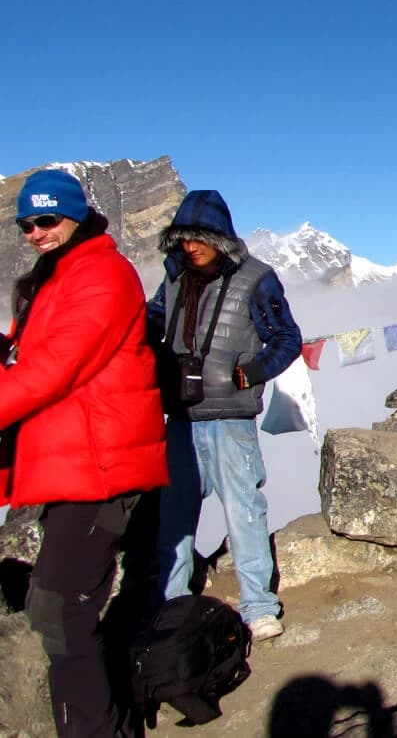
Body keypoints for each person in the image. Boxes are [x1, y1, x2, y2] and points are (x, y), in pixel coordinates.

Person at [0, 169, 167, 738]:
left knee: (60, 610)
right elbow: (28, 351)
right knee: (60, 608)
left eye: (47, 219)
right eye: (27, 224)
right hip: (73, 464)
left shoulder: (102, 275)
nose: (37, 233)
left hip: (103, 467)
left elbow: (54, 368)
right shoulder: (56, 278)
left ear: (77, 214)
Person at [148, 189, 301, 643]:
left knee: (244, 513)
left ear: (220, 237)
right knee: (173, 518)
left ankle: (258, 606)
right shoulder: (173, 279)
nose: (190, 246)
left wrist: (252, 372)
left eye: (198, 237)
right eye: (183, 238)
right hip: (180, 417)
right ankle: (171, 606)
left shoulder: (256, 279)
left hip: (231, 420)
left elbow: (287, 338)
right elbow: (153, 325)